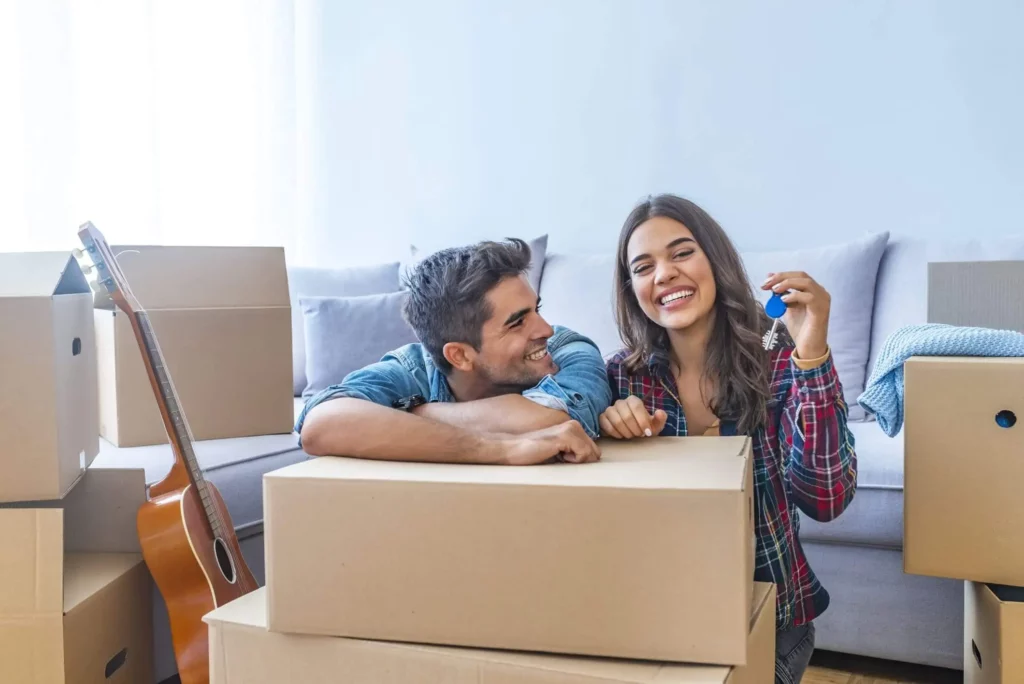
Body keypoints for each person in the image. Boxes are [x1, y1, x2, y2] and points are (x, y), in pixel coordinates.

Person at [600, 194, 857, 684]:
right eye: (643, 266)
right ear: (631, 288)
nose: (664, 274)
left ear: (714, 260)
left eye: (681, 253)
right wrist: (614, 425)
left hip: (769, 621)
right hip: (667, 619)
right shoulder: (622, 375)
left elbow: (826, 499)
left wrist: (813, 353)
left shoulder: (779, 357)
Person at [296, 238, 614, 466]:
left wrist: (412, 416)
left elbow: (552, 420)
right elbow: (320, 425)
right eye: (518, 323)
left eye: (536, 309)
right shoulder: (413, 368)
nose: (545, 329)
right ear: (459, 356)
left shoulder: (569, 349)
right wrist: (500, 450)